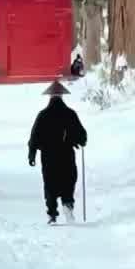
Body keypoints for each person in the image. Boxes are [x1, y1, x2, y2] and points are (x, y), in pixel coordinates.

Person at [28, 79, 87, 225]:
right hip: (66, 154)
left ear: (50, 97)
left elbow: (34, 137)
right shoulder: (70, 114)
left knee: (50, 183)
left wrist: (32, 154)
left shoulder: (42, 115)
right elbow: (82, 135)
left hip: (48, 156)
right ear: (62, 97)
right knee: (68, 180)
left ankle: (52, 214)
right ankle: (67, 205)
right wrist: (80, 141)